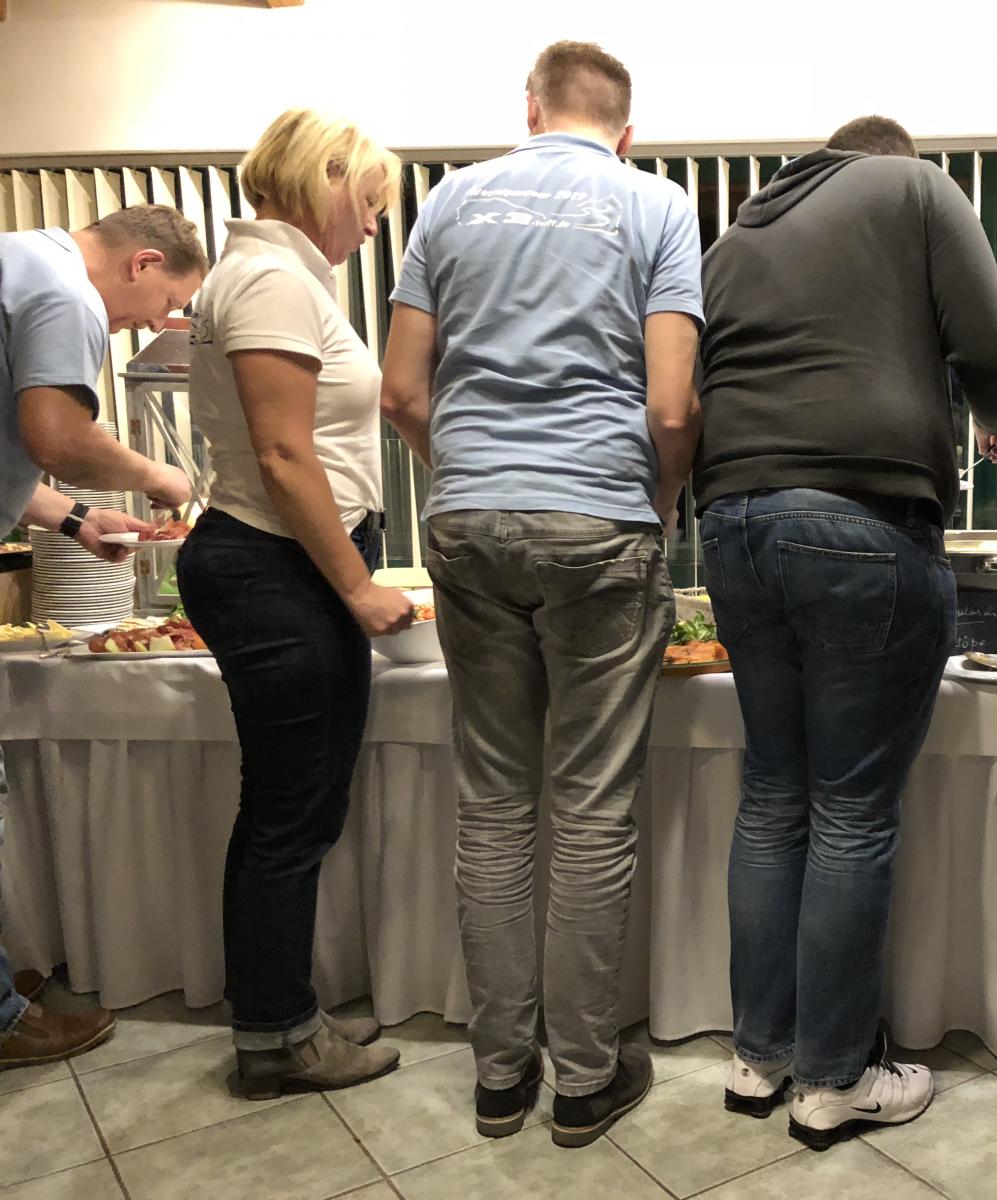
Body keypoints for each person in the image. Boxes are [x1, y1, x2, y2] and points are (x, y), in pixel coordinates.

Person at [381, 41, 701, 1146]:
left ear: (530, 111)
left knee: (493, 803)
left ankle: (499, 1079)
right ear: (627, 129)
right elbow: (671, 406)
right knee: (590, 809)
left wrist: (470, 477)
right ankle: (583, 1079)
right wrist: (657, 502)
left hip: (469, 522)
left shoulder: (447, 203)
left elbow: (400, 390)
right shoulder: (656, 206)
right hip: (599, 519)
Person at [695, 114, 997, 1149]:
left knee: (772, 796)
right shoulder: (912, 189)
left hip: (732, 523)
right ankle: (835, 1081)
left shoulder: (734, 236)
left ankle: (759, 1057)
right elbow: (994, 342)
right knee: (848, 810)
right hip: (858, 523)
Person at [176, 110, 410, 1098]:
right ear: (326, 176)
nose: (372, 227)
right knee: (292, 814)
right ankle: (278, 1036)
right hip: (279, 570)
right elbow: (281, 453)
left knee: (288, 808)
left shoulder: (271, 275)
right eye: (369, 204)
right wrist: (356, 585)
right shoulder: (273, 279)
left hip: (274, 566)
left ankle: (279, 1018)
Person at [1, 204, 204, 1070]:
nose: (153, 326)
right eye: (167, 303)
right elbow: (57, 437)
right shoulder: (65, 292)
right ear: (142, 262)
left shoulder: (18, 261)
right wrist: (159, 474)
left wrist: (78, 518)